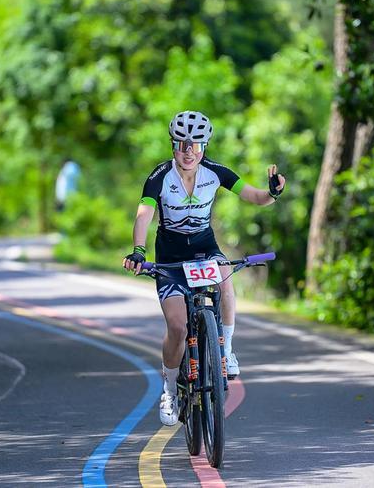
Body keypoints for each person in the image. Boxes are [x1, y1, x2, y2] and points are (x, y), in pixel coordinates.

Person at [122, 110, 286, 426]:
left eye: (195, 145)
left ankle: (226, 348)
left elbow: (254, 196)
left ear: (204, 147)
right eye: (182, 144)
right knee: (178, 328)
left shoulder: (216, 172)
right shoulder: (159, 177)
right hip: (169, 256)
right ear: (173, 146)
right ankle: (169, 390)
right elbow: (144, 215)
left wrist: (273, 193)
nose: (188, 151)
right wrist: (139, 251)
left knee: (225, 275)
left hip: (204, 248)